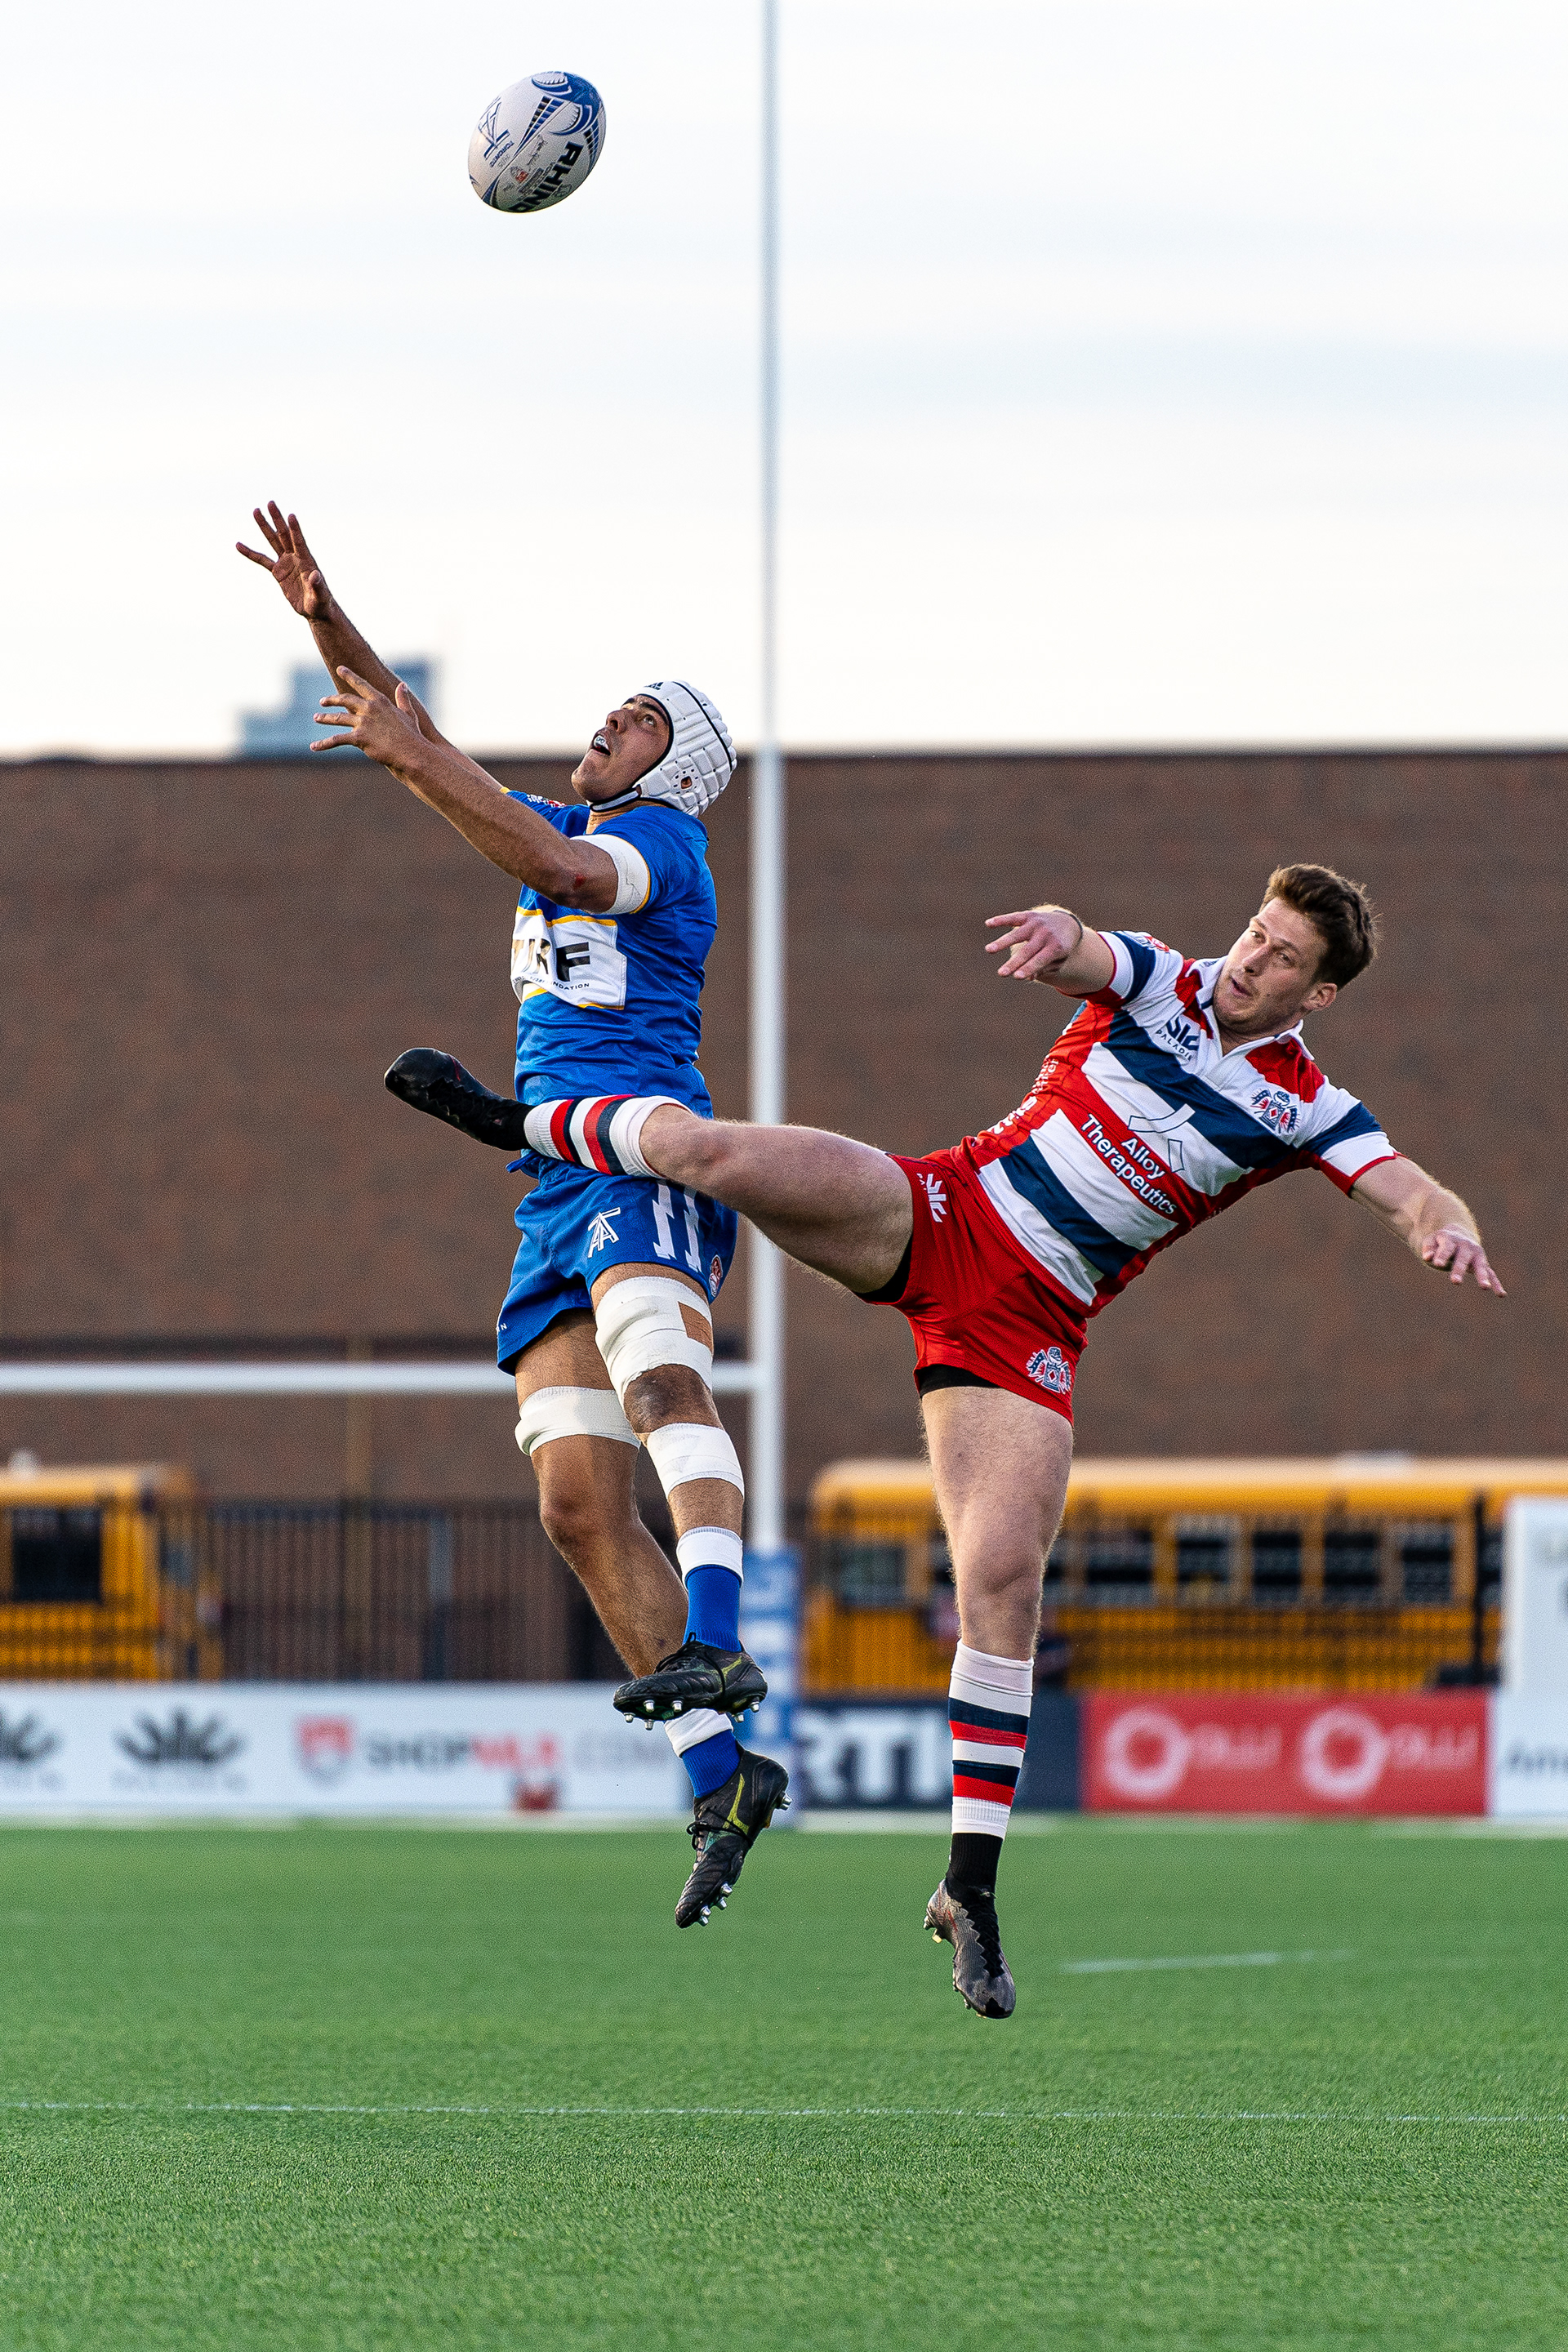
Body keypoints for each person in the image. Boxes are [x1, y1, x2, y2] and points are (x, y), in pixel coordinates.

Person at [418, 863, 1504, 2018]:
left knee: (1000, 1581)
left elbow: (1410, 1190)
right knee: (714, 1154)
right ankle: (513, 1121)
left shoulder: (1308, 1108)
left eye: (1284, 958)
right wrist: (1059, 933)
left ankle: (968, 1890)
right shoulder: (1161, 983)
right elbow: (1097, 950)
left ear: (1319, 996)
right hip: (941, 1212)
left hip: (1028, 1324)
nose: (1251, 961)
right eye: (1254, 933)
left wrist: (1450, 1232)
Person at [237, 503, 788, 1928]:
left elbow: (552, 870)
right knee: (570, 1502)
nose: (605, 728)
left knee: (664, 1374)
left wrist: (419, 754)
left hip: (630, 1162)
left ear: (685, 764)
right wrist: (321, 617)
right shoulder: (571, 816)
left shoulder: (666, 846)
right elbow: (421, 737)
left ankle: (721, 1646)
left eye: (636, 720)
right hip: (546, 1189)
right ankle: (722, 1770)